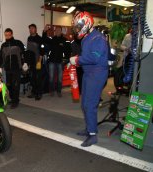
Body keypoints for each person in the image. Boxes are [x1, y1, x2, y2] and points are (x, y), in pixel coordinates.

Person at [69, 11, 109, 147]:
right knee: (84, 103)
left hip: (97, 74)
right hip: (88, 73)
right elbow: (87, 55)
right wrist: (75, 61)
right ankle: (89, 128)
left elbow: (95, 57)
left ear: (86, 24)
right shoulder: (87, 37)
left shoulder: (98, 38)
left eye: (78, 27)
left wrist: (77, 60)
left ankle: (93, 135)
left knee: (89, 104)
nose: (77, 30)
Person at [0, 28, 25, 109]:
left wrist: (25, 63)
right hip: (8, 68)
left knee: (15, 85)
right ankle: (13, 98)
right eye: (6, 35)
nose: (7, 37)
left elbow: (24, 53)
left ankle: (15, 101)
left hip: (17, 68)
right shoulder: (3, 45)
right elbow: (1, 57)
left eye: (9, 35)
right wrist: (0, 67)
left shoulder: (18, 43)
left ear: (12, 34)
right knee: (9, 85)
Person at [43, 26, 68, 97]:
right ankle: (51, 91)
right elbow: (44, 39)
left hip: (60, 62)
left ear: (61, 31)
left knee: (60, 78)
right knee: (51, 77)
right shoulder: (52, 39)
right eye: (56, 30)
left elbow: (67, 51)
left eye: (59, 30)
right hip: (52, 61)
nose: (57, 31)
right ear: (55, 31)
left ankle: (59, 91)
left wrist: (66, 60)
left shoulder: (64, 40)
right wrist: (44, 32)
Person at [26, 24, 44, 100]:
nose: (31, 30)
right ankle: (33, 92)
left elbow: (42, 51)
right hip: (31, 62)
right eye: (30, 29)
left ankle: (39, 94)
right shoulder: (29, 38)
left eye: (32, 28)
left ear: (35, 29)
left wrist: (39, 61)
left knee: (38, 78)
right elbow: (28, 51)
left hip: (38, 61)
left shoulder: (40, 39)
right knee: (32, 78)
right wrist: (27, 62)